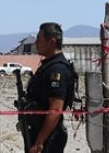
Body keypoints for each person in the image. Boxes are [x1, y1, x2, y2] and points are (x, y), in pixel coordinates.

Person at [22, 22, 73, 153]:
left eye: (39, 39)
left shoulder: (57, 69)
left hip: (48, 138)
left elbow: (55, 109)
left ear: (51, 41)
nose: (36, 43)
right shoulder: (47, 66)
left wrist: (39, 142)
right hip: (38, 132)